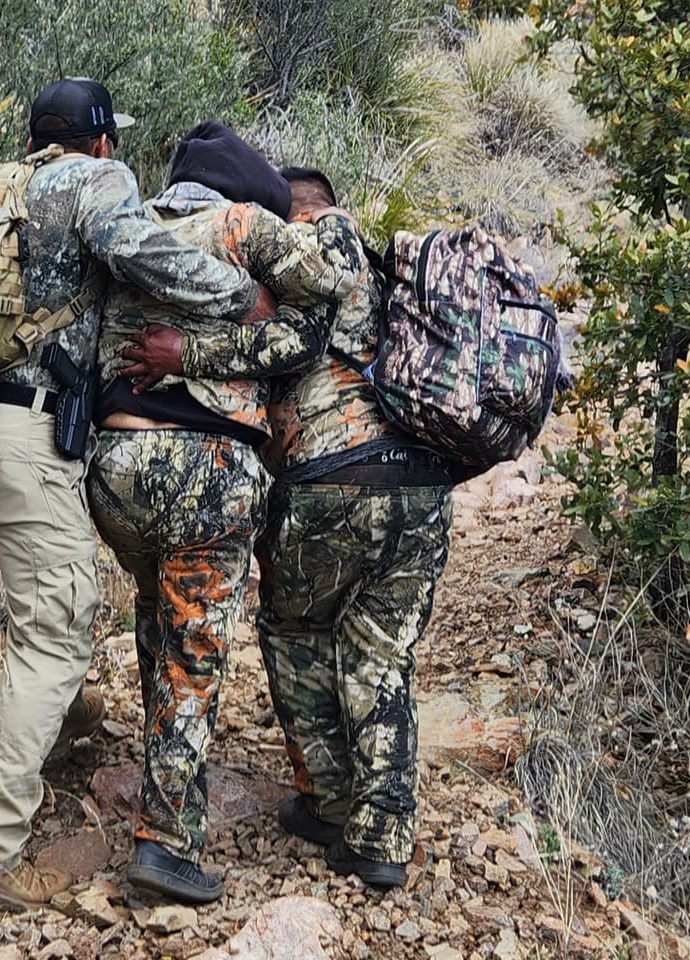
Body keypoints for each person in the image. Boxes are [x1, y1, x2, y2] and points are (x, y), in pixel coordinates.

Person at [0, 81, 266, 915]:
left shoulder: (0, 188)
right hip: (19, 433)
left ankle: (61, 736)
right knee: (57, 628)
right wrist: (239, 299)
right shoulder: (94, 181)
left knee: (48, 602)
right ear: (104, 142)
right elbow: (142, 253)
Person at [88, 123, 353, 904]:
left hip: (114, 473)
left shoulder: (126, 230)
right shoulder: (243, 225)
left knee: (157, 630)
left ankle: (157, 783)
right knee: (192, 654)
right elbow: (327, 296)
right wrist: (229, 338)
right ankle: (167, 843)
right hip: (204, 469)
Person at [258, 167, 470, 886]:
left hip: (334, 477)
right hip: (424, 482)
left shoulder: (303, 248)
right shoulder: (395, 278)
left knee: (295, 630)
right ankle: (382, 839)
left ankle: (328, 798)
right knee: (381, 653)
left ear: (294, 206)